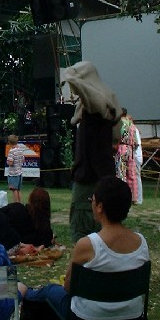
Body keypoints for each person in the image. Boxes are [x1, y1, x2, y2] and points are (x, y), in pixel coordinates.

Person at [21, 176, 150, 320]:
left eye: (92, 199)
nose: (91, 203)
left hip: (87, 319)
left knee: (50, 291)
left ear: (100, 207)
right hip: (130, 317)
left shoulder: (88, 244)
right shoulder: (141, 242)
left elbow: (69, 287)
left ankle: (24, 292)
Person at [63, 61, 122, 243]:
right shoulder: (107, 103)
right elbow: (115, 137)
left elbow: (81, 86)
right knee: (105, 222)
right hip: (104, 173)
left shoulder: (94, 103)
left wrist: (72, 77)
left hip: (89, 174)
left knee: (83, 226)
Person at [115, 111, 139, 204]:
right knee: (132, 174)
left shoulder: (120, 123)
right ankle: (134, 197)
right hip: (131, 149)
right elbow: (136, 142)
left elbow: (118, 136)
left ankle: (122, 196)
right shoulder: (132, 125)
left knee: (121, 173)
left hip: (121, 148)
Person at [6, 134, 24, 203]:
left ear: (9, 142)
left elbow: (10, 162)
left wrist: (8, 161)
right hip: (20, 173)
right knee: (19, 190)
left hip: (13, 174)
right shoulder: (20, 149)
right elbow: (23, 160)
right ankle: (19, 203)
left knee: (14, 190)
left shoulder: (11, 151)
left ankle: (15, 203)